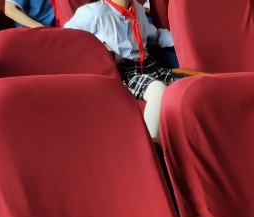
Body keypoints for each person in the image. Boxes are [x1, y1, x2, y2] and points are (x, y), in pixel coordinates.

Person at [64, 0, 176, 140]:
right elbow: (68, 40)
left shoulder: (137, 8)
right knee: (158, 90)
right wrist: (101, 51)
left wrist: (181, 39)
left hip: (149, 64)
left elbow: (154, 36)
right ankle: (148, 144)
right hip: (123, 71)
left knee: (182, 85)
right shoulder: (93, 12)